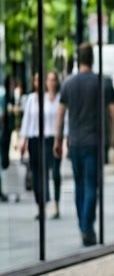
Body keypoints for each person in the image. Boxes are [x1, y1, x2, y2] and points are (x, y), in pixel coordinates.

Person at [55, 43, 114, 246]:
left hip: (75, 142)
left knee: (80, 186)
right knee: (91, 185)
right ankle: (86, 226)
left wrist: (58, 139)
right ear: (92, 59)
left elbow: (60, 114)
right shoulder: (103, 82)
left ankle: (84, 226)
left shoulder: (68, 83)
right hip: (94, 142)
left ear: (78, 59)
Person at [20, 71, 62, 219]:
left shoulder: (49, 98)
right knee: (37, 173)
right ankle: (40, 205)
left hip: (50, 139)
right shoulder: (32, 98)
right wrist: (23, 140)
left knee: (50, 173)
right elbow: (27, 120)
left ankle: (51, 203)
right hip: (34, 139)